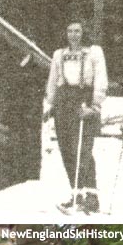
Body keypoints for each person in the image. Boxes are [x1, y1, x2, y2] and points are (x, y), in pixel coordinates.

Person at [44, 19, 107, 213]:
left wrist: (95, 105)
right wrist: (50, 104)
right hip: (64, 102)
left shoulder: (94, 52)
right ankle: (76, 194)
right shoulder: (59, 54)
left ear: (84, 32)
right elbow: (53, 80)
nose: (73, 34)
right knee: (67, 150)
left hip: (84, 100)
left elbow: (101, 78)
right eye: (70, 30)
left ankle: (92, 197)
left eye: (77, 30)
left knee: (82, 149)